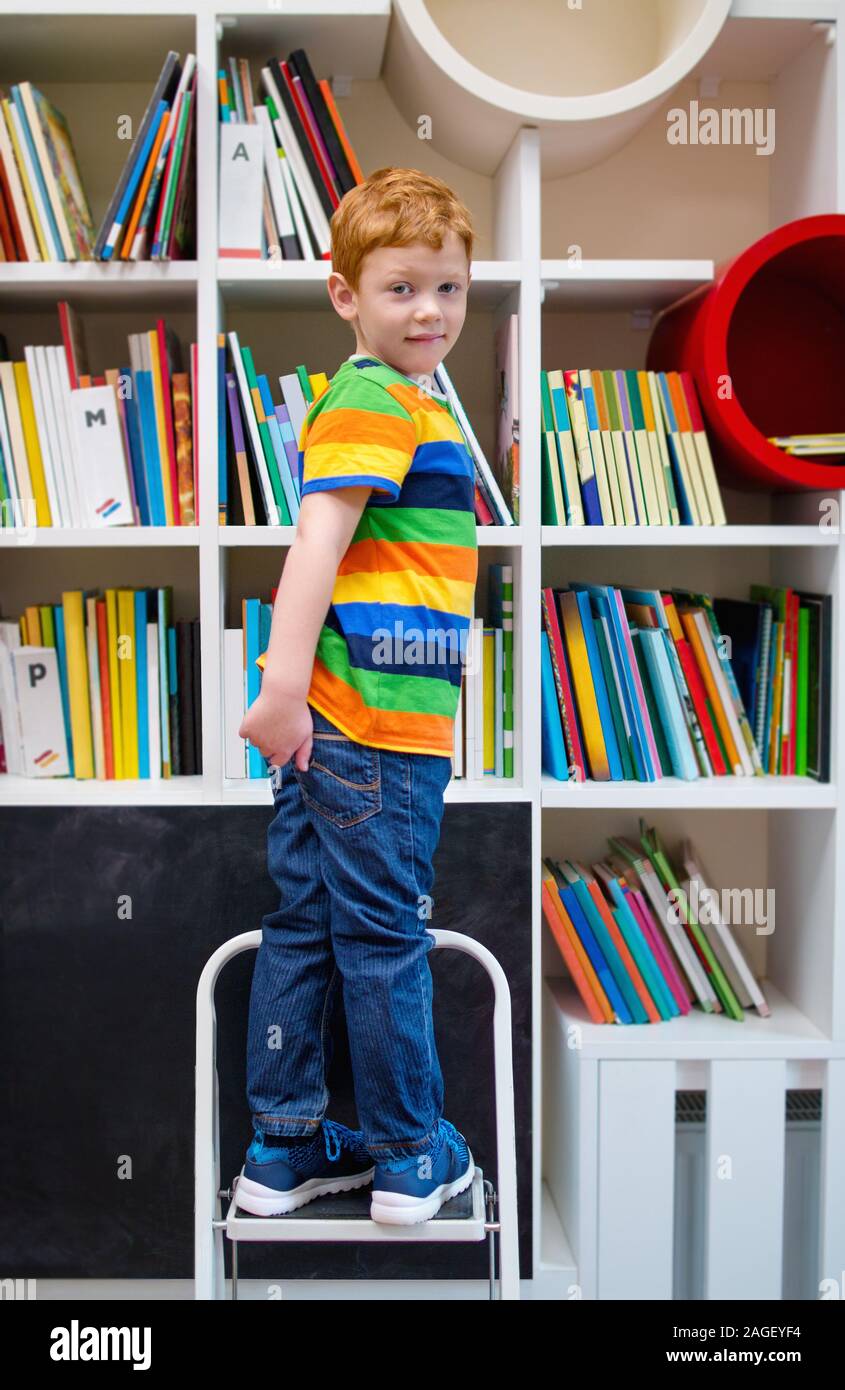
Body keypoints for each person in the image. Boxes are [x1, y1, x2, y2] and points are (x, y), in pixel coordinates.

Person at [235, 167, 479, 1226]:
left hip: (352, 730)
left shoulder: (398, 401)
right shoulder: (376, 398)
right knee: (384, 938)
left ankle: (283, 1148)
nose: (427, 312)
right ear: (345, 295)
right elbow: (315, 546)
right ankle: (410, 1153)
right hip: (368, 730)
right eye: (399, 289)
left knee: (306, 926)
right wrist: (281, 689)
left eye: (448, 289)